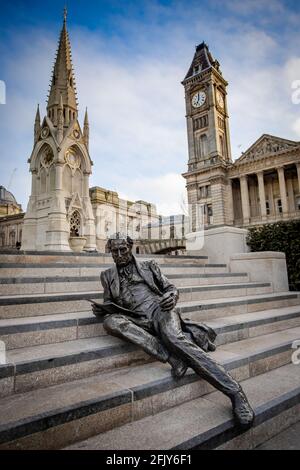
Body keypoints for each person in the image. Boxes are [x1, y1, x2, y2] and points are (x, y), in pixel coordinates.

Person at [92, 233, 254, 428]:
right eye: (114, 251)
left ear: (130, 247)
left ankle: (235, 392)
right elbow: (110, 302)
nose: (118, 255)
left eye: (123, 250)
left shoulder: (149, 265)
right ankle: (171, 357)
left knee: (173, 338)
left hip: (160, 310)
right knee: (110, 322)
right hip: (135, 318)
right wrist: (101, 309)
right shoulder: (107, 276)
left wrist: (172, 296)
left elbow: (170, 288)